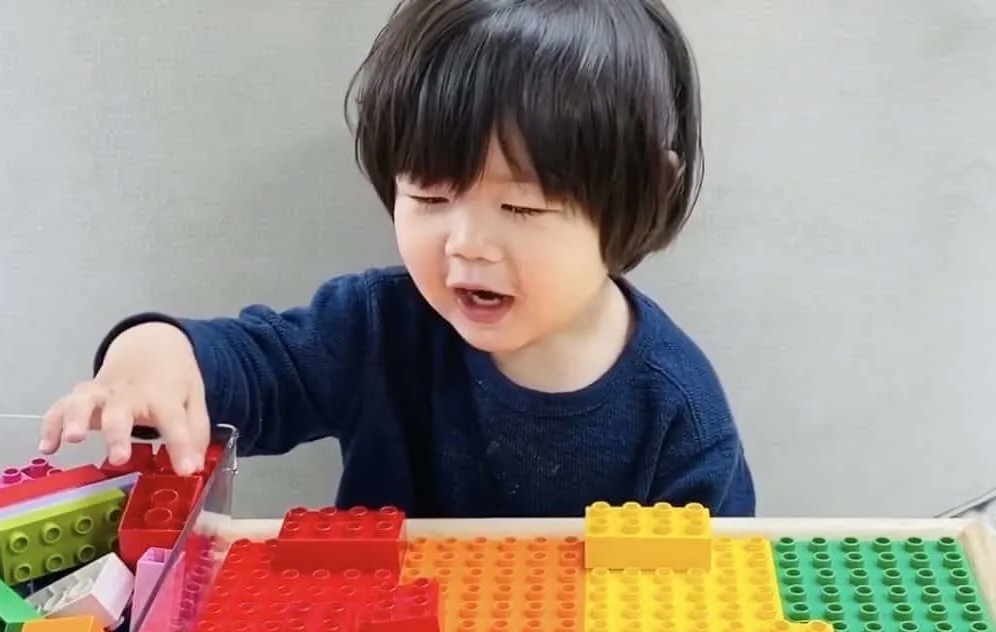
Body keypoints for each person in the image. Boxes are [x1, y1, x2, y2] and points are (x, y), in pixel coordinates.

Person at [40, 0, 756, 518]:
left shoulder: (677, 411)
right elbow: (253, 369)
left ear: (643, 193)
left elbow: (713, 599)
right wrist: (149, 356)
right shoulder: (376, 328)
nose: (466, 243)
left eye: (524, 208)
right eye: (430, 196)